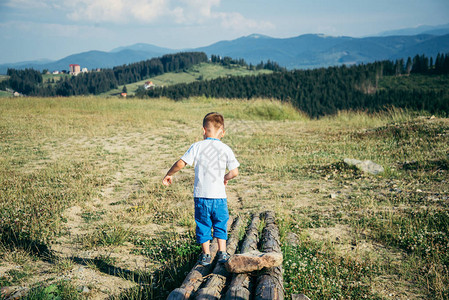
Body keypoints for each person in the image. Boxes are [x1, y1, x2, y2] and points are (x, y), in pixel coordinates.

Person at [162, 112, 239, 266]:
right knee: (220, 223)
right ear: (222, 133)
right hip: (219, 198)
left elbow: (181, 163)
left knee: (203, 225)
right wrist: (225, 178)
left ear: (204, 130)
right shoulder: (225, 148)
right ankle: (222, 253)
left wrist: (169, 174)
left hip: (201, 196)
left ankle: (206, 255)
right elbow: (234, 172)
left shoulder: (197, 146)